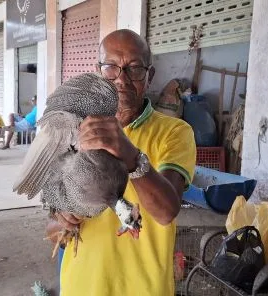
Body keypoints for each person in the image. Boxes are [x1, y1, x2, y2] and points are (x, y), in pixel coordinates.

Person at [52, 29, 196, 296]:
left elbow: (166, 212)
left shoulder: (176, 133)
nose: (121, 79)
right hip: (82, 285)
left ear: (149, 76)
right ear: (98, 72)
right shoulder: (74, 129)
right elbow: (53, 220)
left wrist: (130, 155)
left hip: (143, 288)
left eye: (134, 69)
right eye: (111, 68)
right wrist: (61, 216)